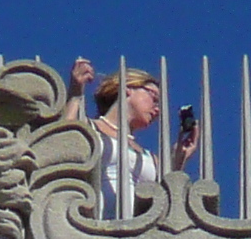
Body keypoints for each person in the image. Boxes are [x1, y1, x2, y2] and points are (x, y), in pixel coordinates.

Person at [68, 60, 198, 219]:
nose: (157, 109)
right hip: (94, 224)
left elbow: (163, 197)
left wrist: (178, 159)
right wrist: (75, 93)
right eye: (154, 98)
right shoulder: (88, 127)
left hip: (137, 233)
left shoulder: (150, 157)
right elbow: (62, 141)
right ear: (127, 89)